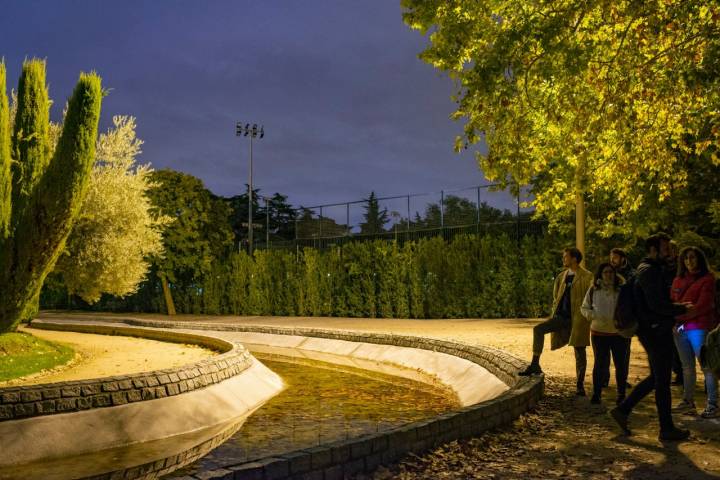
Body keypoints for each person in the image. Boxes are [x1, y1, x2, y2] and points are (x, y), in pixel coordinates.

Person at [610, 233, 694, 441]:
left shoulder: (648, 269)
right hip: (655, 331)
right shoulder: (649, 272)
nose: (669, 253)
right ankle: (666, 429)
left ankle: (623, 410)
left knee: (658, 377)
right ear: (653, 250)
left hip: (652, 330)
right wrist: (680, 308)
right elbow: (655, 304)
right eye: (665, 249)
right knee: (662, 380)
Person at [519, 247, 594, 396]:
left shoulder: (587, 276)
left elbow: (591, 297)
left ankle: (580, 385)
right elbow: (556, 297)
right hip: (561, 317)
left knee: (579, 350)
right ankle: (535, 363)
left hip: (578, 319)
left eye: (565, 257)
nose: (563, 259)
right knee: (538, 329)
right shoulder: (562, 276)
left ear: (574, 259)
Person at [670, 246, 718, 418]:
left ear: (699, 259)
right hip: (680, 328)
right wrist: (675, 320)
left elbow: (703, 305)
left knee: (706, 366)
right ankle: (688, 402)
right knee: (687, 367)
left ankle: (712, 404)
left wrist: (680, 317)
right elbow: (672, 303)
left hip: (698, 327)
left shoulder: (707, 279)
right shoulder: (678, 280)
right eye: (686, 258)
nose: (689, 261)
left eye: (692, 257)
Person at [581, 263, 630, 406]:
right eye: (605, 272)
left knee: (620, 365)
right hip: (599, 333)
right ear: (600, 274)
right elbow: (584, 307)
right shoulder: (593, 289)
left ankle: (621, 394)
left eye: (610, 272)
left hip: (618, 333)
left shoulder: (621, 290)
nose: (608, 275)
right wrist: (593, 315)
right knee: (599, 364)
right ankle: (596, 394)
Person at [607, 248, 635, 389]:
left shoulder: (630, 274)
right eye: (611, 257)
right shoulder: (607, 271)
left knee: (624, 350)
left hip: (624, 315)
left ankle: (622, 378)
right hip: (607, 316)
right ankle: (604, 378)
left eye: (615, 257)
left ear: (623, 258)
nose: (612, 260)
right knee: (605, 348)